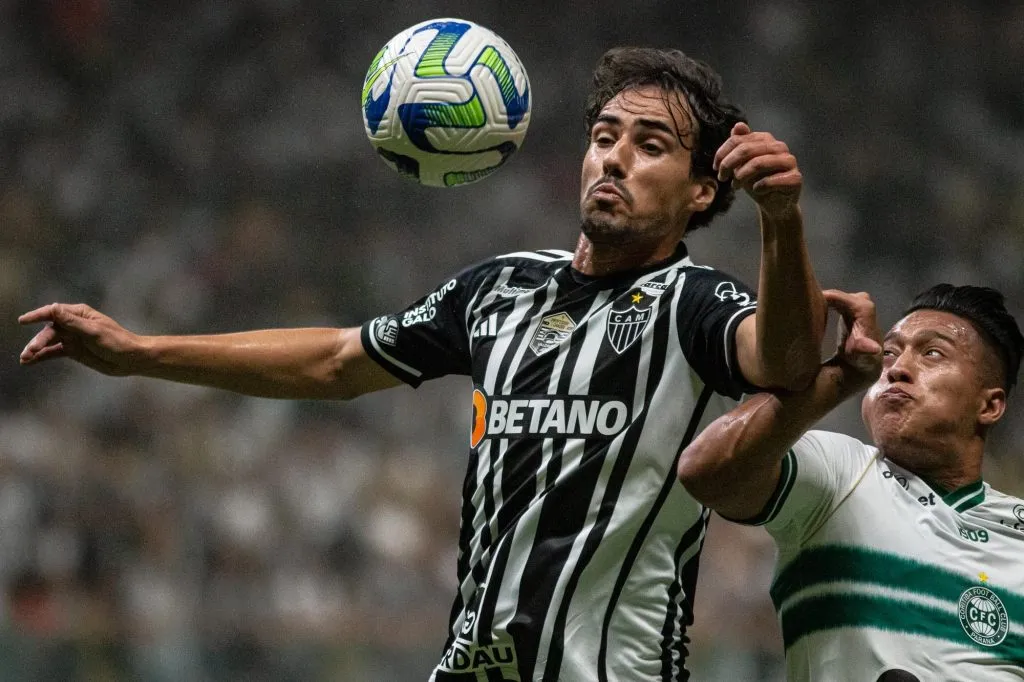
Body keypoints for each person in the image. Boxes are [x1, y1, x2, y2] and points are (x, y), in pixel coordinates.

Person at [20, 47, 826, 681]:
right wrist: (138, 354)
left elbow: (784, 362)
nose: (613, 158)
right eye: (604, 135)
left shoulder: (693, 303)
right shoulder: (499, 287)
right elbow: (339, 360)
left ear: (698, 192)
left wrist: (781, 223)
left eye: (651, 146)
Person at [678, 284, 1024, 681]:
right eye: (890, 352)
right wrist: (839, 378)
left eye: (932, 353)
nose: (896, 367)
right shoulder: (841, 475)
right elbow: (706, 471)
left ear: (990, 405)